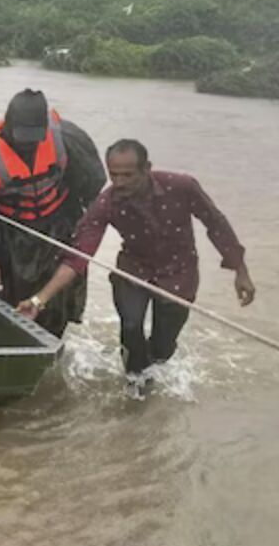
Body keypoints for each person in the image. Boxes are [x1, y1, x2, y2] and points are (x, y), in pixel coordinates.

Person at [18, 139, 255, 385]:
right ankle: (133, 386)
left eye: (128, 175)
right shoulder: (106, 202)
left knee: (163, 348)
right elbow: (78, 256)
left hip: (179, 272)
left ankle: (152, 373)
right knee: (131, 328)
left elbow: (215, 223)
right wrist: (39, 300)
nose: (119, 182)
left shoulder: (182, 186)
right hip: (134, 270)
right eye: (114, 175)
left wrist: (241, 271)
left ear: (146, 168)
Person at [0, 89, 105, 337]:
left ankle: (54, 339)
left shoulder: (68, 139)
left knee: (58, 297)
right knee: (10, 297)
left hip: (57, 225)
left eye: (35, 136)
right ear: (8, 125)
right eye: (22, 136)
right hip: (10, 233)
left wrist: (82, 229)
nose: (28, 143)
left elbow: (93, 185)